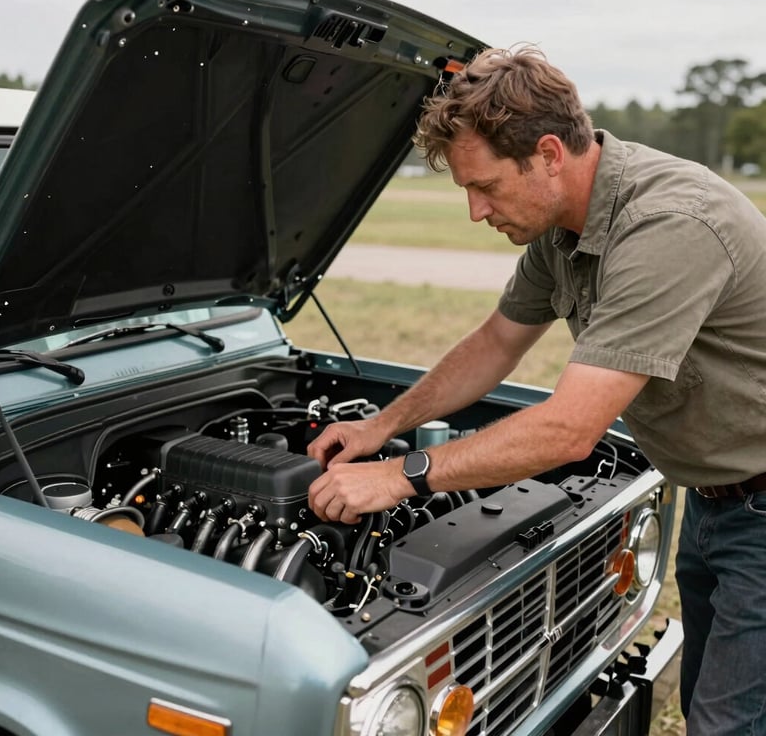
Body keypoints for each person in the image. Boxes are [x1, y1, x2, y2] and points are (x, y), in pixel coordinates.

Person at [306, 44, 766, 735]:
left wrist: (401, 476)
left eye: (484, 186)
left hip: (759, 510)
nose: (473, 210)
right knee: (711, 694)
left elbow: (567, 431)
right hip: (716, 500)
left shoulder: (668, 226)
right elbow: (495, 342)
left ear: (549, 153)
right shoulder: (561, 228)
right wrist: (382, 426)